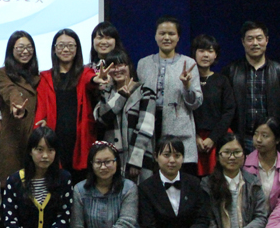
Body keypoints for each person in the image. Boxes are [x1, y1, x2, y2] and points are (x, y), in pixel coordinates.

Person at [1, 127, 73, 228]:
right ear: (30, 151)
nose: (45, 156)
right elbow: (10, 221)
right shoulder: (14, 181)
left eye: (50, 150)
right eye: (39, 150)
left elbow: (64, 218)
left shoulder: (64, 178)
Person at [137, 16, 203, 176]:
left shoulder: (189, 63)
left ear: (178, 37)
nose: (166, 37)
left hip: (179, 129)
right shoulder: (143, 64)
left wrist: (187, 86)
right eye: (162, 33)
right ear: (155, 36)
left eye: (171, 34)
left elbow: (196, 103)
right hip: (150, 126)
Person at [139, 136, 212, 228]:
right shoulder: (145, 188)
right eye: (166, 155)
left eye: (177, 155)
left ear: (183, 158)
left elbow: (202, 217)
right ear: (156, 156)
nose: (172, 160)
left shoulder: (194, 183)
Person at [34, 28, 99, 184]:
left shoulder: (84, 73)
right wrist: (40, 125)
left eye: (70, 45)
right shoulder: (45, 77)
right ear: (54, 49)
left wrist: (96, 79)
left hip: (80, 141)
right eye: (61, 45)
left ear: (77, 49)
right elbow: (41, 107)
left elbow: (90, 79)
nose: (65, 49)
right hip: (54, 141)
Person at [202, 133, 267, 228]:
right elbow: (208, 221)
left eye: (237, 152)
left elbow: (261, 216)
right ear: (218, 156)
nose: (232, 157)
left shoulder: (253, 182)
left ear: (244, 155)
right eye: (226, 152)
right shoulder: (207, 185)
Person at [70, 142, 137, 228]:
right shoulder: (79, 190)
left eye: (108, 162)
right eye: (98, 162)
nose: (103, 167)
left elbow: (125, 226)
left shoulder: (129, 188)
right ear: (91, 164)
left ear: (116, 162)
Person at [222, 21, 280, 153]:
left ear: (267, 40)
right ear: (243, 42)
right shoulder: (231, 71)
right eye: (250, 39)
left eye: (259, 38)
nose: (255, 43)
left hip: (271, 138)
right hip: (240, 138)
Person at [94, 49, 156, 182]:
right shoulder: (105, 93)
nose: (117, 70)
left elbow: (145, 128)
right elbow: (101, 120)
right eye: (113, 66)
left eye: (121, 65)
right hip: (111, 162)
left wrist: (135, 161)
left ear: (129, 67)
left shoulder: (145, 92)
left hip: (139, 160)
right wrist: (120, 97)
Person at [0, 31, 40, 182]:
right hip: (11, 139)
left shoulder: (38, 77)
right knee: (11, 184)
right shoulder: (1, 74)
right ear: (11, 50)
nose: (25, 51)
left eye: (29, 47)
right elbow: (10, 91)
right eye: (20, 47)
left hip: (33, 139)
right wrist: (18, 105)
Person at [191, 34, 235, 177]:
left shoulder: (222, 81)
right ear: (194, 53)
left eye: (210, 51)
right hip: (192, 139)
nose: (205, 55)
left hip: (218, 139)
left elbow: (229, 111)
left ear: (215, 55)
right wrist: (195, 137)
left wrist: (213, 138)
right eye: (201, 50)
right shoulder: (187, 80)